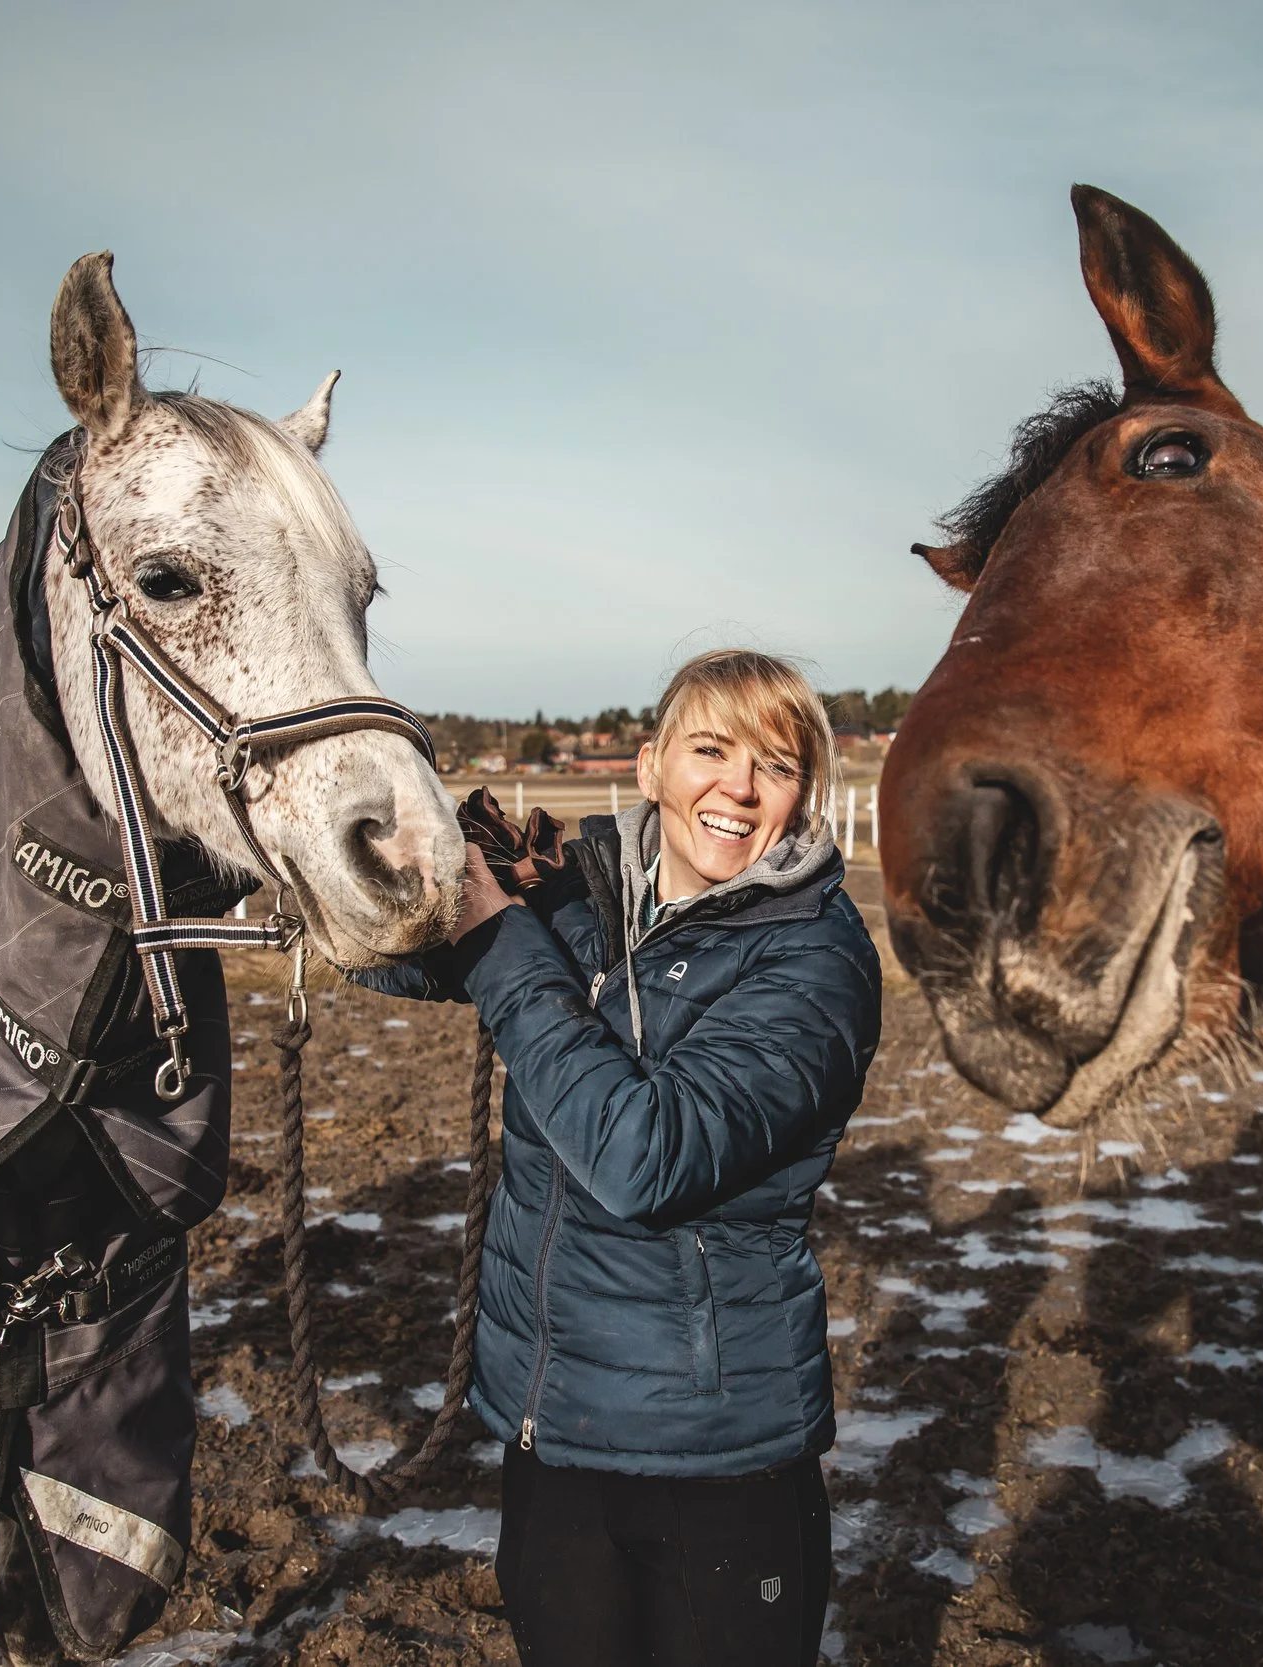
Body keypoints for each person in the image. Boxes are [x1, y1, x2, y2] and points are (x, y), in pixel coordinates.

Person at [358, 648, 881, 1666]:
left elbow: (642, 1155)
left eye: (775, 765)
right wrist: (404, 858)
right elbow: (391, 958)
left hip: (714, 1463)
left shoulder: (814, 959)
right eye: (711, 749)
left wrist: (502, 938)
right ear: (649, 767)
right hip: (550, 1437)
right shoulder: (586, 892)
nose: (737, 785)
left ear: (802, 794)